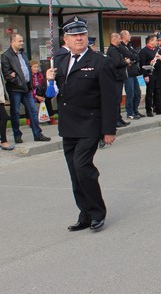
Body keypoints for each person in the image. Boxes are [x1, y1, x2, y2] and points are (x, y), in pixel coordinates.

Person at [46, 17, 117, 233]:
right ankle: (84, 214)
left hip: (89, 123)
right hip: (68, 125)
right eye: (74, 35)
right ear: (65, 39)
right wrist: (48, 80)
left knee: (83, 167)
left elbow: (110, 98)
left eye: (82, 34)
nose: (79, 38)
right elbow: (53, 93)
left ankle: (97, 213)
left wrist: (109, 129)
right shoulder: (60, 60)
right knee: (74, 172)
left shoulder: (100, 62)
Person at [0, 34, 51, 144]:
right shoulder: (6, 56)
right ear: (12, 42)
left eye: (22, 41)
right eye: (19, 41)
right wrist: (19, 81)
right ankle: (17, 135)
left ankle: (37, 134)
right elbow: (8, 74)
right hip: (15, 89)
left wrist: (27, 82)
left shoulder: (23, 53)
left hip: (27, 87)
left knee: (33, 110)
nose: (22, 43)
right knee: (15, 112)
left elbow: (27, 69)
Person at [105, 32, 130, 128]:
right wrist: (126, 62)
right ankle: (115, 120)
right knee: (116, 100)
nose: (120, 40)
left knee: (118, 99)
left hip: (119, 77)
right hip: (115, 78)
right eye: (119, 39)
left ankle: (119, 118)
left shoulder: (116, 49)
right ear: (115, 39)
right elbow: (117, 63)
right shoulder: (113, 50)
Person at [118, 30, 142, 120]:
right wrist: (132, 57)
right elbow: (129, 55)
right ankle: (130, 112)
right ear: (123, 36)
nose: (130, 36)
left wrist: (132, 59)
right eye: (128, 35)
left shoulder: (129, 46)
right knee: (130, 93)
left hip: (133, 72)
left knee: (137, 93)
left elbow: (137, 55)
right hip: (127, 73)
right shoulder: (121, 47)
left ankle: (135, 110)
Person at [138, 33, 159, 117]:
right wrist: (145, 75)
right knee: (150, 92)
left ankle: (156, 107)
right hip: (149, 74)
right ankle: (148, 110)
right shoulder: (144, 51)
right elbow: (142, 64)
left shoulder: (156, 50)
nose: (157, 42)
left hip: (157, 73)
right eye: (156, 40)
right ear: (151, 41)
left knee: (157, 91)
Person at [30, 61, 54, 126]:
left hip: (40, 93)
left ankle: (50, 117)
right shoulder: (29, 76)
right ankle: (30, 120)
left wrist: (43, 96)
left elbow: (44, 86)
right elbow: (29, 89)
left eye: (37, 67)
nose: (36, 68)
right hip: (32, 94)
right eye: (34, 67)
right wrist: (36, 96)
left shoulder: (40, 75)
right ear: (31, 68)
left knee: (47, 99)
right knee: (28, 101)